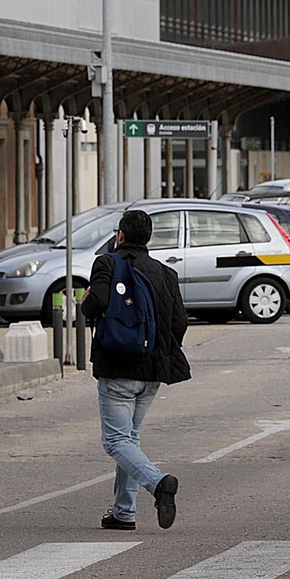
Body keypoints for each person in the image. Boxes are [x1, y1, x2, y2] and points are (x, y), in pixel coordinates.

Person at [82, 208, 190, 531]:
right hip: (152, 372)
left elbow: (97, 301)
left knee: (116, 442)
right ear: (149, 239)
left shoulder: (107, 263)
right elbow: (179, 323)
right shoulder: (165, 274)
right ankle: (123, 513)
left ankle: (158, 484)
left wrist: (87, 302)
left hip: (117, 366)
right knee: (130, 439)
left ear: (121, 235)